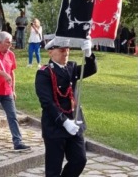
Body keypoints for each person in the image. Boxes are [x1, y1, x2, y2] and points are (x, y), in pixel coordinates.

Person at [35, 38, 97, 177]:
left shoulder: (72, 67)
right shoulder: (44, 73)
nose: (66, 53)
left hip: (74, 123)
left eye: (68, 50)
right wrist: (64, 121)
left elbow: (92, 69)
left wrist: (89, 54)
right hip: (55, 126)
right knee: (53, 169)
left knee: (79, 160)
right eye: (62, 50)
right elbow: (47, 102)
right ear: (50, 52)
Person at [0, 31, 31, 151]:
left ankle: (17, 141)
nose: (10, 45)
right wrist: (4, 74)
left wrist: (13, 89)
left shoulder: (11, 55)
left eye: (11, 42)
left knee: (13, 116)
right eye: (8, 42)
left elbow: (12, 72)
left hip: (7, 91)